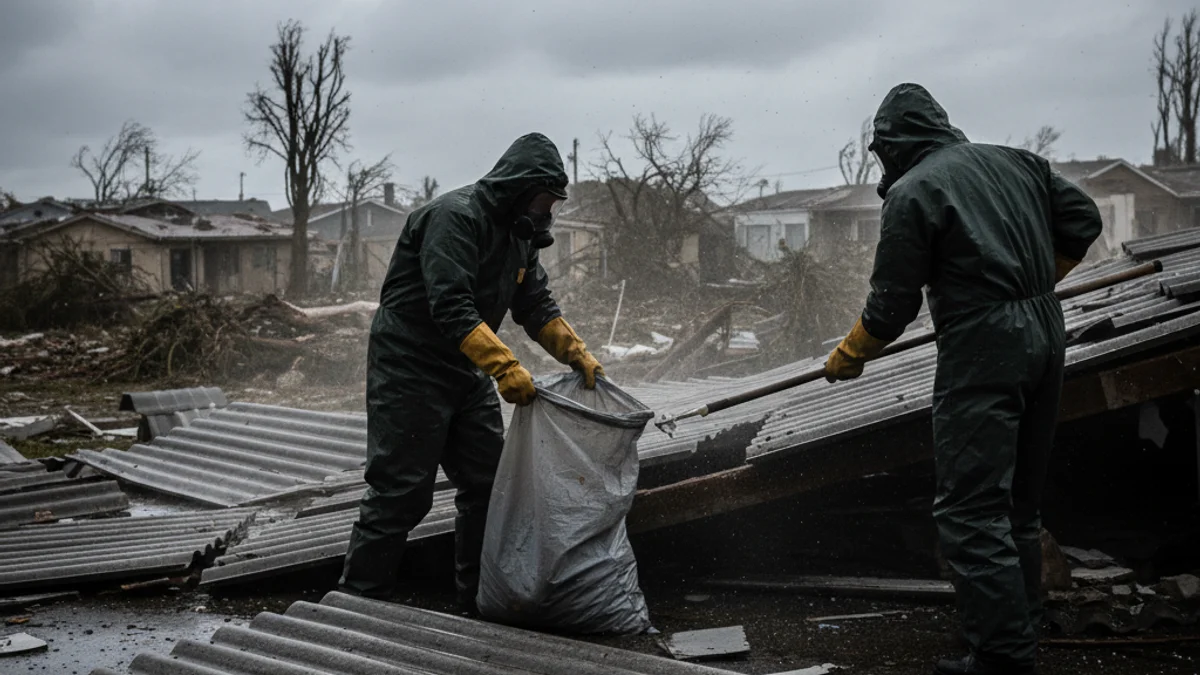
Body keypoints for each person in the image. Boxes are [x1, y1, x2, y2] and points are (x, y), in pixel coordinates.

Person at [824, 84, 1102, 675]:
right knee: (1018, 506)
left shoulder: (914, 191)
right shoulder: (1017, 161)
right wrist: (1035, 280)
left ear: (892, 144)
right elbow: (1084, 217)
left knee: (971, 510)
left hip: (985, 347)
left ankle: (1001, 657)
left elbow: (892, 302)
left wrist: (851, 352)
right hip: (1045, 331)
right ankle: (1020, 632)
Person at [339, 132, 605, 610]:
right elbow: (452, 306)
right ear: (520, 189)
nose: (548, 211)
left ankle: (475, 601)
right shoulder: (455, 217)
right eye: (544, 199)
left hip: (464, 367)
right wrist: (504, 366)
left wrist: (576, 352)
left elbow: (535, 304)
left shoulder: (518, 236)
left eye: (552, 202)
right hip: (410, 366)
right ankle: (357, 604)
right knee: (400, 493)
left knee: (488, 485)